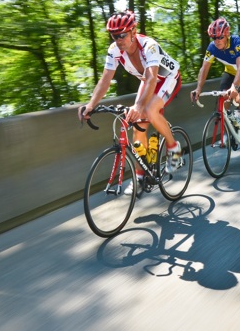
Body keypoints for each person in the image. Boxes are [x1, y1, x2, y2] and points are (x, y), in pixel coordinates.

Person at [78, 10, 182, 194]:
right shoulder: (114, 51)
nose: (118, 40)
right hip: (148, 81)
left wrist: (139, 106)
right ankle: (140, 176)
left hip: (166, 79)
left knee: (149, 111)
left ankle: (174, 147)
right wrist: (90, 105)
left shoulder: (149, 46)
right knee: (136, 125)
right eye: (114, 36)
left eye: (122, 35)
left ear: (134, 31)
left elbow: (152, 79)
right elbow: (105, 80)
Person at [190, 18, 240, 139]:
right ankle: (230, 130)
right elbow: (204, 69)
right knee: (221, 103)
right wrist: (198, 88)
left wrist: (234, 87)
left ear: (227, 34)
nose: (217, 41)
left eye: (220, 37)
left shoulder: (237, 43)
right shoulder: (212, 48)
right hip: (230, 73)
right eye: (214, 38)